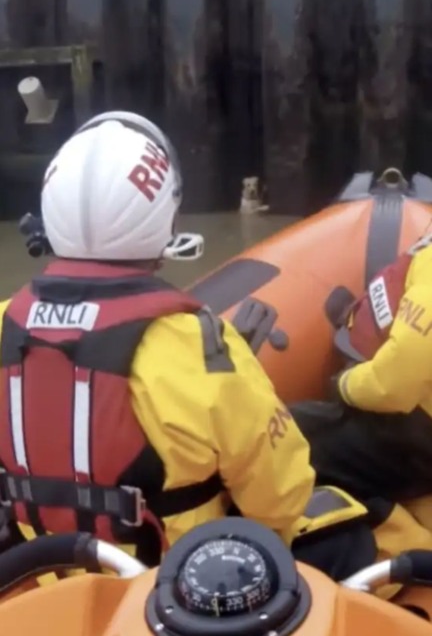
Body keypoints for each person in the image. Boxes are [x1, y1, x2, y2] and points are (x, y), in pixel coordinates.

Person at [0, 110, 372, 581]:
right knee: (350, 537)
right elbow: (280, 501)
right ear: (162, 218)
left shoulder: (5, 324)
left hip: (51, 578)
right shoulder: (199, 347)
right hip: (168, 592)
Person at [291, 231, 432, 558]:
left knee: (292, 437)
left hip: (416, 436)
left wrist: (344, 385)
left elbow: (392, 386)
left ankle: (401, 540)